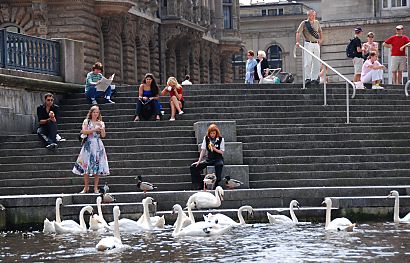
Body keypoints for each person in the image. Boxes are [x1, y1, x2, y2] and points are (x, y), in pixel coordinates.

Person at [73, 105, 109, 194]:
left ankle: (95, 188)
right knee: (86, 166)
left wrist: (102, 128)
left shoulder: (100, 122)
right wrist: (94, 129)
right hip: (88, 144)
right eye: (94, 112)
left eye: (97, 112)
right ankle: (86, 187)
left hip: (97, 145)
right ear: (91, 113)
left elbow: (103, 135)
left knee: (97, 166)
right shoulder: (87, 121)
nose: (96, 114)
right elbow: (84, 131)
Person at [190, 124, 225, 190]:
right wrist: (199, 161)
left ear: (216, 133)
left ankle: (217, 184)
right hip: (209, 158)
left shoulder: (221, 139)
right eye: (211, 133)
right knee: (193, 167)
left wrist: (214, 149)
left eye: (214, 133)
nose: (212, 135)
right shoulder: (206, 138)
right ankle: (200, 184)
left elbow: (222, 152)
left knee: (219, 165)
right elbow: (203, 150)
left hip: (218, 158)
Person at [296, 10, 322, 86]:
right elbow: (298, 32)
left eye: (314, 15)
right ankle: (307, 78)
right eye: (312, 15)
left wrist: (321, 39)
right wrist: (298, 42)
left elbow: (320, 31)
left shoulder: (317, 22)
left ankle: (315, 78)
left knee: (316, 62)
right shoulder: (304, 23)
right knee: (308, 62)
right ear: (308, 15)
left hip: (316, 44)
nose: (313, 16)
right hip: (308, 43)